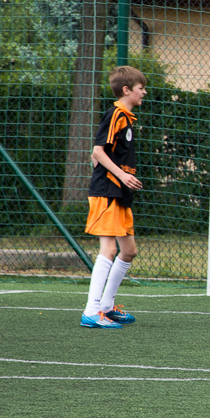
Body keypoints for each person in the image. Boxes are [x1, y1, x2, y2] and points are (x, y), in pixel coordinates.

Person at [79, 66, 147, 329]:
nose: (144, 92)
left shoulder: (127, 118)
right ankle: (91, 311)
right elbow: (98, 151)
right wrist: (122, 175)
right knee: (108, 250)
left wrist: (122, 178)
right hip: (108, 190)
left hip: (120, 191)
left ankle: (107, 306)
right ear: (126, 90)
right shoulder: (115, 113)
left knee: (128, 251)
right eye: (141, 88)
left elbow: (100, 153)